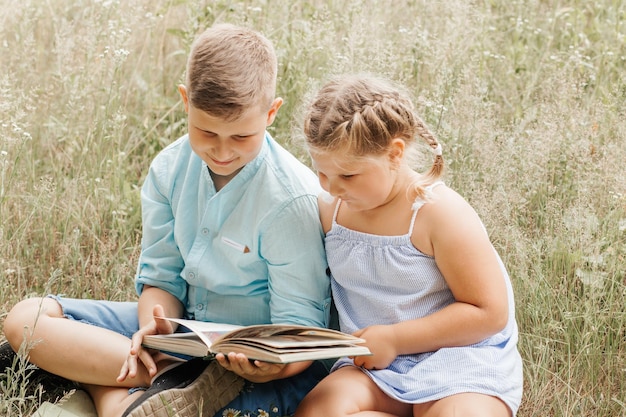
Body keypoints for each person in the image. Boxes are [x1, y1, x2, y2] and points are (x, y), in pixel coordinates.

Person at [2, 23, 331, 417]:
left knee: (123, 406)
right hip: (184, 336)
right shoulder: (169, 169)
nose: (222, 151)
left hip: (253, 366)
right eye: (206, 130)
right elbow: (161, 277)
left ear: (272, 112)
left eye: (242, 137)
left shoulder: (290, 198)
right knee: (25, 319)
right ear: (185, 101)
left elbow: (301, 333)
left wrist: (270, 366)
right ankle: (160, 380)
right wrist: (155, 326)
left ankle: (99, 378)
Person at [294, 74, 523, 417]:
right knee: (319, 409)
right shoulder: (332, 210)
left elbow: (488, 311)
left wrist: (397, 339)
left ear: (394, 154)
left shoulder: (437, 213)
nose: (332, 187)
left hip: (460, 361)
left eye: (348, 175)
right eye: (323, 173)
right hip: (375, 366)